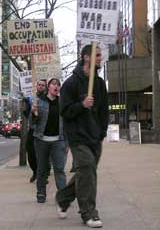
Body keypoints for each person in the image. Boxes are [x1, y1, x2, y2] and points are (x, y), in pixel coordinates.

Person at [56, 44, 109, 228]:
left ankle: (63, 197)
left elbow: (104, 111)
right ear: (86, 57)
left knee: (85, 173)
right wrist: (82, 105)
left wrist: (102, 132)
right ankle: (88, 213)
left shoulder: (100, 84)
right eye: (98, 55)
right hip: (78, 138)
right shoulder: (70, 84)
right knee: (86, 168)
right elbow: (65, 111)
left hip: (95, 138)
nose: (100, 58)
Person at [31, 78, 68, 203]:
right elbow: (33, 124)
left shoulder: (62, 103)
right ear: (49, 87)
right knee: (42, 168)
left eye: (58, 85)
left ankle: (62, 196)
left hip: (59, 140)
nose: (56, 86)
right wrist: (33, 113)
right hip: (42, 140)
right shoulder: (39, 102)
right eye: (53, 84)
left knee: (59, 169)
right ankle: (41, 192)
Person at [24, 79, 47, 183]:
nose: (41, 86)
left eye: (43, 85)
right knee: (30, 151)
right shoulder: (31, 98)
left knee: (43, 153)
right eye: (39, 85)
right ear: (36, 86)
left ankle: (43, 175)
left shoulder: (48, 98)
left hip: (44, 129)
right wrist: (28, 107)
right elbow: (26, 113)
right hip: (33, 129)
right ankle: (35, 171)